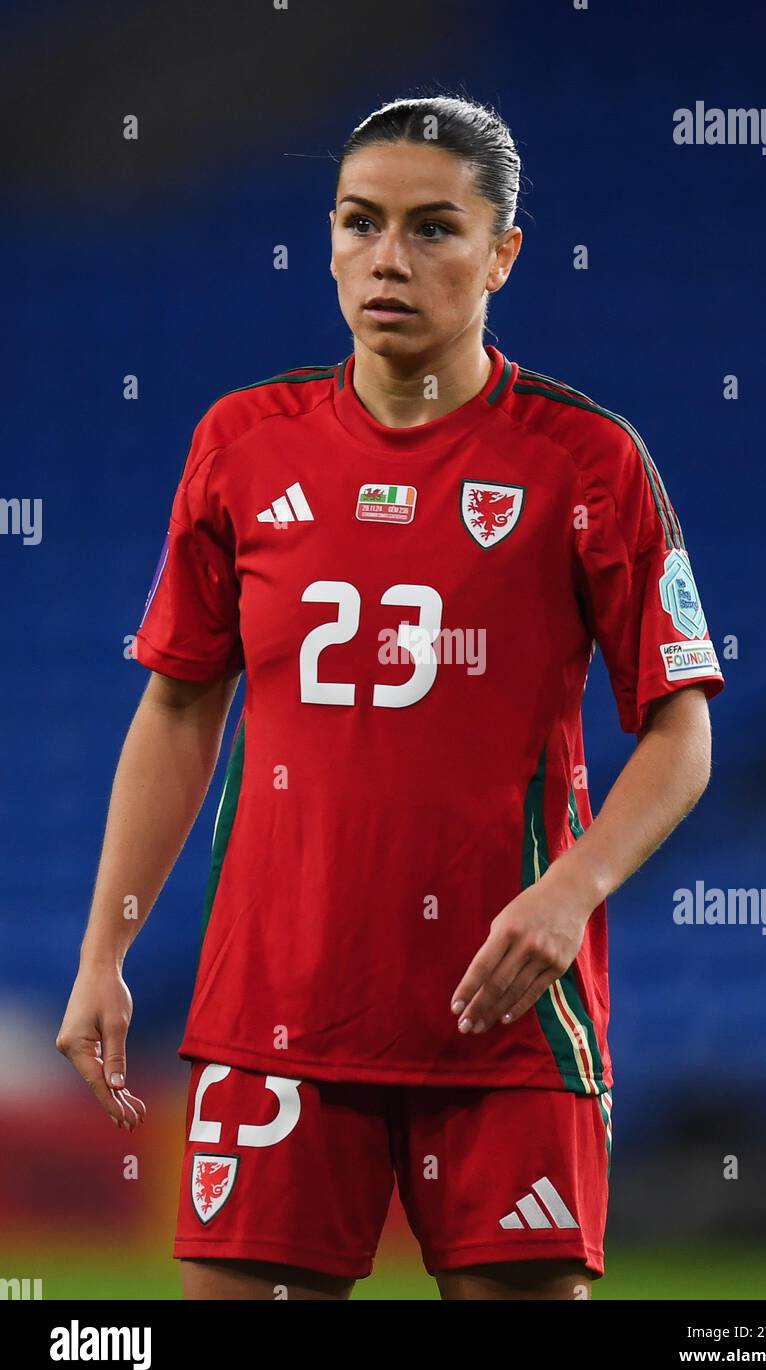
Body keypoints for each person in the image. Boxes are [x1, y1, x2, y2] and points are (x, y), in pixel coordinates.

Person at [57, 93, 725, 1301]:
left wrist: (570, 891)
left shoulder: (588, 460)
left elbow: (683, 730)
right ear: (327, 238)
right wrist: (106, 948)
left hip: (508, 1024)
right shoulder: (239, 444)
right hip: (275, 1014)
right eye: (361, 223)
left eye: (434, 229)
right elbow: (175, 709)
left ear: (503, 253)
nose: (388, 258)